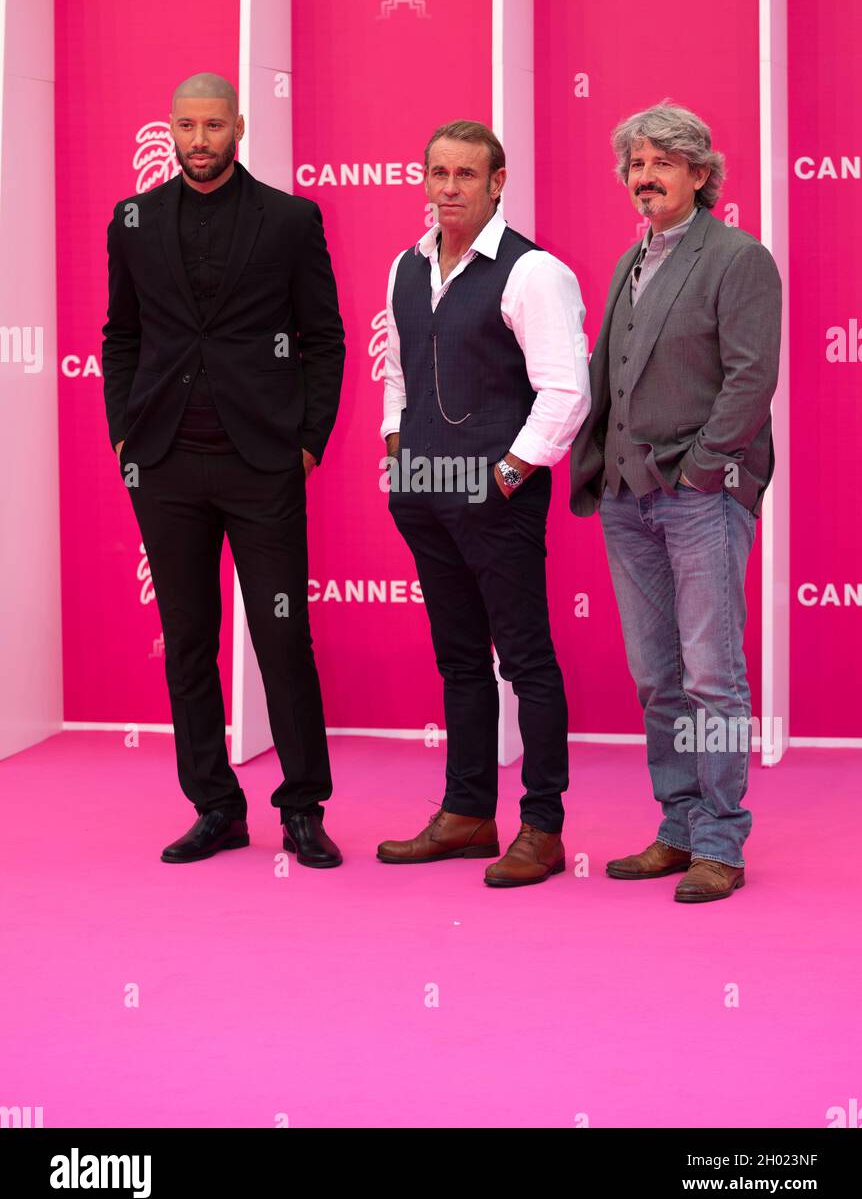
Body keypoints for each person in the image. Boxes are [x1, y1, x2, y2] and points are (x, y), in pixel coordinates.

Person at [102, 72, 345, 868]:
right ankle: (215, 806)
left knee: (282, 635)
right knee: (186, 643)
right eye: (186, 125)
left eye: (213, 124)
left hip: (261, 463)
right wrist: (122, 435)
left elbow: (323, 337)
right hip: (166, 462)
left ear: (237, 126)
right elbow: (121, 335)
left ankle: (303, 807)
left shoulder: (288, 219)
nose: (199, 139)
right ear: (169, 129)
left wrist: (307, 438)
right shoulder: (132, 222)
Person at [570, 100, 782, 902]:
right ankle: (677, 825)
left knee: (711, 677)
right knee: (657, 676)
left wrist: (699, 469)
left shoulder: (737, 258)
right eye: (635, 164)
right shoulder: (632, 262)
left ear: (700, 175)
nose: (643, 176)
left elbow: (749, 380)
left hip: (699, 498)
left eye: (661, 162)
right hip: (625, 498)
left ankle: (720, 843)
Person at [376, 120, 590, 887]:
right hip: (424, 500)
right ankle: (466, 813)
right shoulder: (406, 266)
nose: (449, 189)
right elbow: (398, 375)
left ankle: (542, 826)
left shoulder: (533, 273)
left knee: (525, 660)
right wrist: (398, 456)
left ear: (497, 183)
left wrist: (505, 477)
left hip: (498, 500)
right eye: (437, 174)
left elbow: (565, 392)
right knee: (459, 658)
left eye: (466, 175)